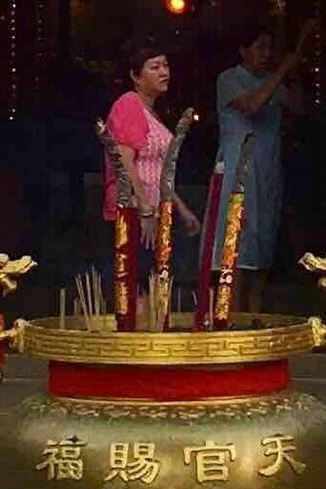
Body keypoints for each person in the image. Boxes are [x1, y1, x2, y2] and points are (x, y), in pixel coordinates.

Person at [205, 26, 308, 314]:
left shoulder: (272, 82)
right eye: (260, 47)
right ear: (243, 50)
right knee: (237, 243)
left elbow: (299, 107)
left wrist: (294, 72)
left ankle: (255, 315)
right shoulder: (229, 79)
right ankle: (232, 316)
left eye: (269, 48)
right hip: (239, 171)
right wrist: (282, 71)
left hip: (267, 171)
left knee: (262, 243)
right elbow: (252, 105)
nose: (266, 54)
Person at [102, 50, 183, 319]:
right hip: (134, 211)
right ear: (136, 76)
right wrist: (145, 209)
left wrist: (182, 210)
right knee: (136, 284)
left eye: (166, 65)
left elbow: (161, 171)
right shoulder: (129, 104)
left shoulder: (152, 112)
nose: (164, 72)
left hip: (156, 210)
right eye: (155, 67)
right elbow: (125, 161)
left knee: (154, 282)